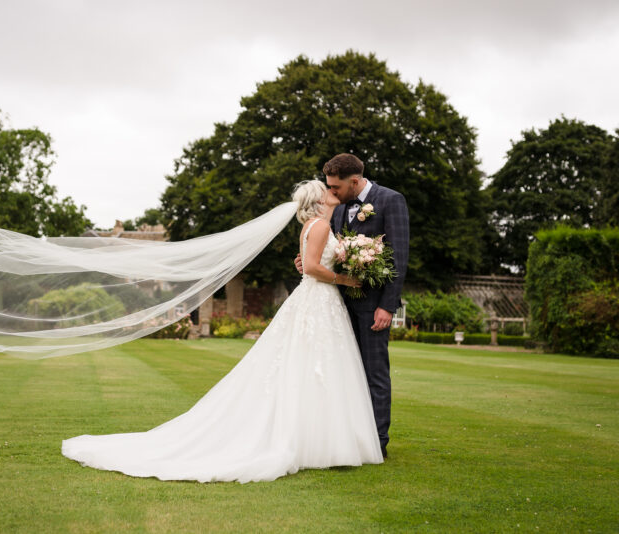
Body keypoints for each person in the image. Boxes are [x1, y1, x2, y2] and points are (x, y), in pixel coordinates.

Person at [61, 180, 384, 482]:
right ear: (319, 200)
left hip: (319, 301)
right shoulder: (321, 225)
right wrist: (345, 278)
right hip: (317, 299)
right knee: (314, 364)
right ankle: (316, 441)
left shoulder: (313, 225)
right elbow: (312, 267)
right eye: (327, 191)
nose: (333, 193)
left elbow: (309, 262)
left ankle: (320, 439)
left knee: (314, 366)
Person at [295, 154, 410, 458]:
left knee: (374, 374)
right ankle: (348, 439)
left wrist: (388, 305)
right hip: (335, 304)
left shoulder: (390, 201)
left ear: (354, 182)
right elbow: (329, 251)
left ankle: (377, 443)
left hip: (373, 306)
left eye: (335, 187)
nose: (331, 192)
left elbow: (398, 256)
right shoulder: (337, 207)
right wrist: (308, 261)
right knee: (343, 374)